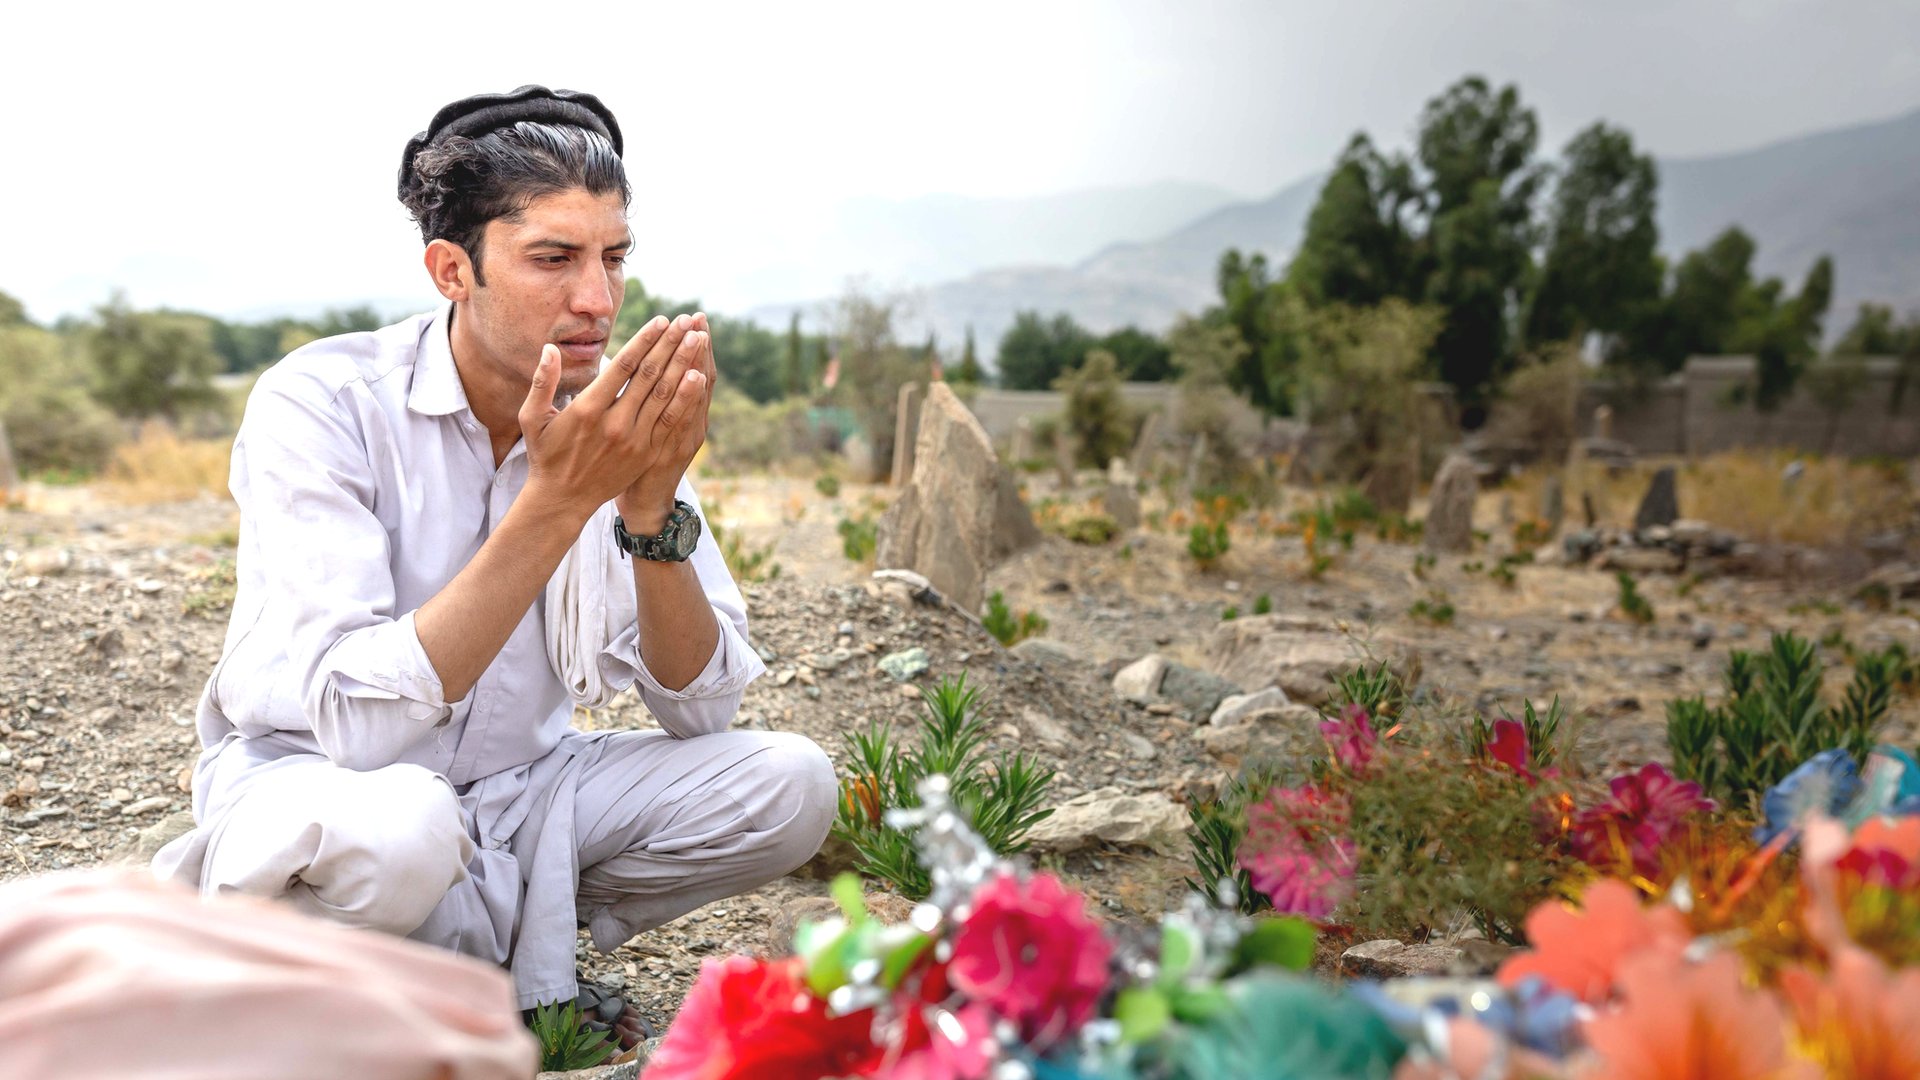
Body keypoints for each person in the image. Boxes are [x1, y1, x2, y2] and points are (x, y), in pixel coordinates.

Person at [153, 85, 836, 1047]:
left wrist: (647, 510)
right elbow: (358, 723)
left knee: (789, 783)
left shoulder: (608, 417)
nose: (597, 299)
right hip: (323, 790)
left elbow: (701, 708)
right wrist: (556, 504)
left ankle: (444, 965)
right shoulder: (323, 403)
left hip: (522, 793)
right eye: (553, 259)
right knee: (401, 835)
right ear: (451, 269)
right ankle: (464, 978)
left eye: (614, 258)